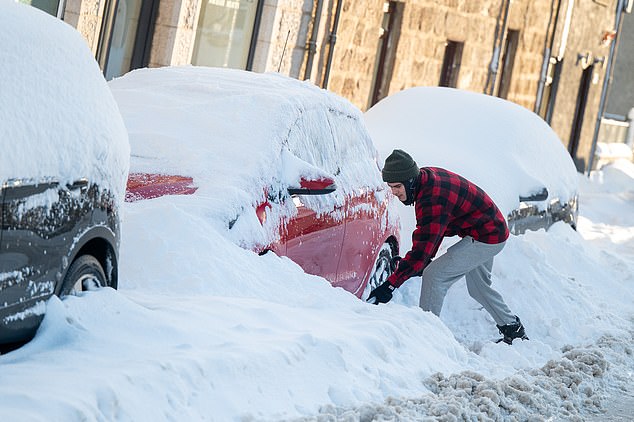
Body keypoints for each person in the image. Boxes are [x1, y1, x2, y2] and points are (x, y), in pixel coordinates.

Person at [367, 149, 528, 345]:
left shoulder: (432, 198)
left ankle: (427, 338)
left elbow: (422, 249)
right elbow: (431, 236)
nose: (394, 192)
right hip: (489, 230)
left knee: (435, 276)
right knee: (478, 288)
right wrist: (421, 262)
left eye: (397, 186)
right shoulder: (424, 180)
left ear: (410, 181)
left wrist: (390, 285)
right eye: (390, 187)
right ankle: (513, 329)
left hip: (487, 236)